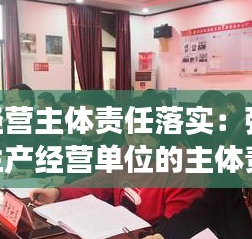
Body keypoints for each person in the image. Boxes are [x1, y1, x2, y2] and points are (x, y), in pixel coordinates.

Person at [29, 96, 207, 224]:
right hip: (120, 231)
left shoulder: (184, 166)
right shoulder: (127, 151)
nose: (134, 140)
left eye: (142, 133)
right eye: (128, 132)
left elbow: (176, 226)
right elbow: (98, 182)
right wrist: (58, 192)